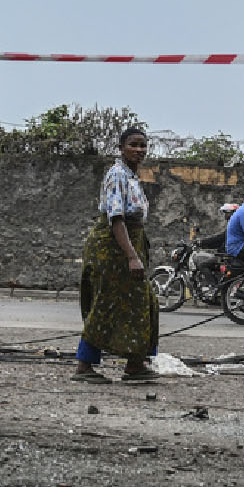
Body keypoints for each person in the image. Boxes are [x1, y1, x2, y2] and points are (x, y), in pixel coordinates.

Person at [72, 127, 159, 383]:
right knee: (105, 303)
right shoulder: (117, 175)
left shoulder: (132, 177)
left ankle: (136, 364)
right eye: (134, 145)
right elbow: (116, 218)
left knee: (143, 304)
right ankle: (84, 366)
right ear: (121, 148)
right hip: (112, 249)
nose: (139, 150)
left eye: (143, 145)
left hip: (128, 245)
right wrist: (132, 256)